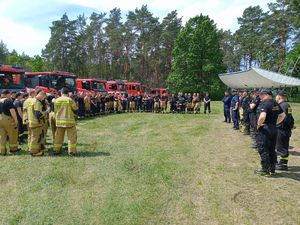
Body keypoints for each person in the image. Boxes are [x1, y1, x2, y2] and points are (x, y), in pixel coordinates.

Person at [255, 89, 285, 176]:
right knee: (272, 149)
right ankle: (272, 167)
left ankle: (265, 169)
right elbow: (283, 115)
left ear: (266, 95)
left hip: (265, 129)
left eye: (261, 95)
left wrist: (258, 125)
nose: (260, 96)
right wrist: (276, 123)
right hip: (274, 129)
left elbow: (262, 117)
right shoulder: (276, 104)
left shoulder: (265, 104)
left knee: (263, 148)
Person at [53, 88, 78, 156]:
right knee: (71, 136)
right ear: (67, 93)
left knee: (58, 136)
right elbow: (75, 109)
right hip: (69, 121)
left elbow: (55, 110)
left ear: (61, 93)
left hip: (59, 121)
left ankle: (56, 150)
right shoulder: (69, 100)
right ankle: (71, 151)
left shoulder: (56, 100)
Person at [275, 90, 295, 171]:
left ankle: (283, 165)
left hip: (282, 129)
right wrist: (291, 125)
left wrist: (277, 125)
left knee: (281, 147)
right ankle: (282, 163)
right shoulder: (287, 105)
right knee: (282, 146)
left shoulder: (282, 105)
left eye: (276, 96)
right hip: (285, 129)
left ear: (279, 96)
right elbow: (291, 117)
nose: (276, 97)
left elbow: (284, 118)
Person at [27, 90, 47, 156]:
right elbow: (38, 114)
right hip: (36, 122)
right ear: (41, 95)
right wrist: (45, 112)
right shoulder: (37, 102)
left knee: (35, 136)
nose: (44, 99)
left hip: (31, 121)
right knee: (35, 137)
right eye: (44, 97)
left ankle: (34, 149)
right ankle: (34, 152)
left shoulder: (32, 100)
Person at [0, 90, 20, 155]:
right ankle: (13, 149)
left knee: (2, 136)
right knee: (13, 134)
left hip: (0, 119)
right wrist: (16, 120)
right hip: (8, 120)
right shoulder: (8, 101)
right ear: (7, 94)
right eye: (9, 94)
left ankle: (2, 151)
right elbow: (12, 111)